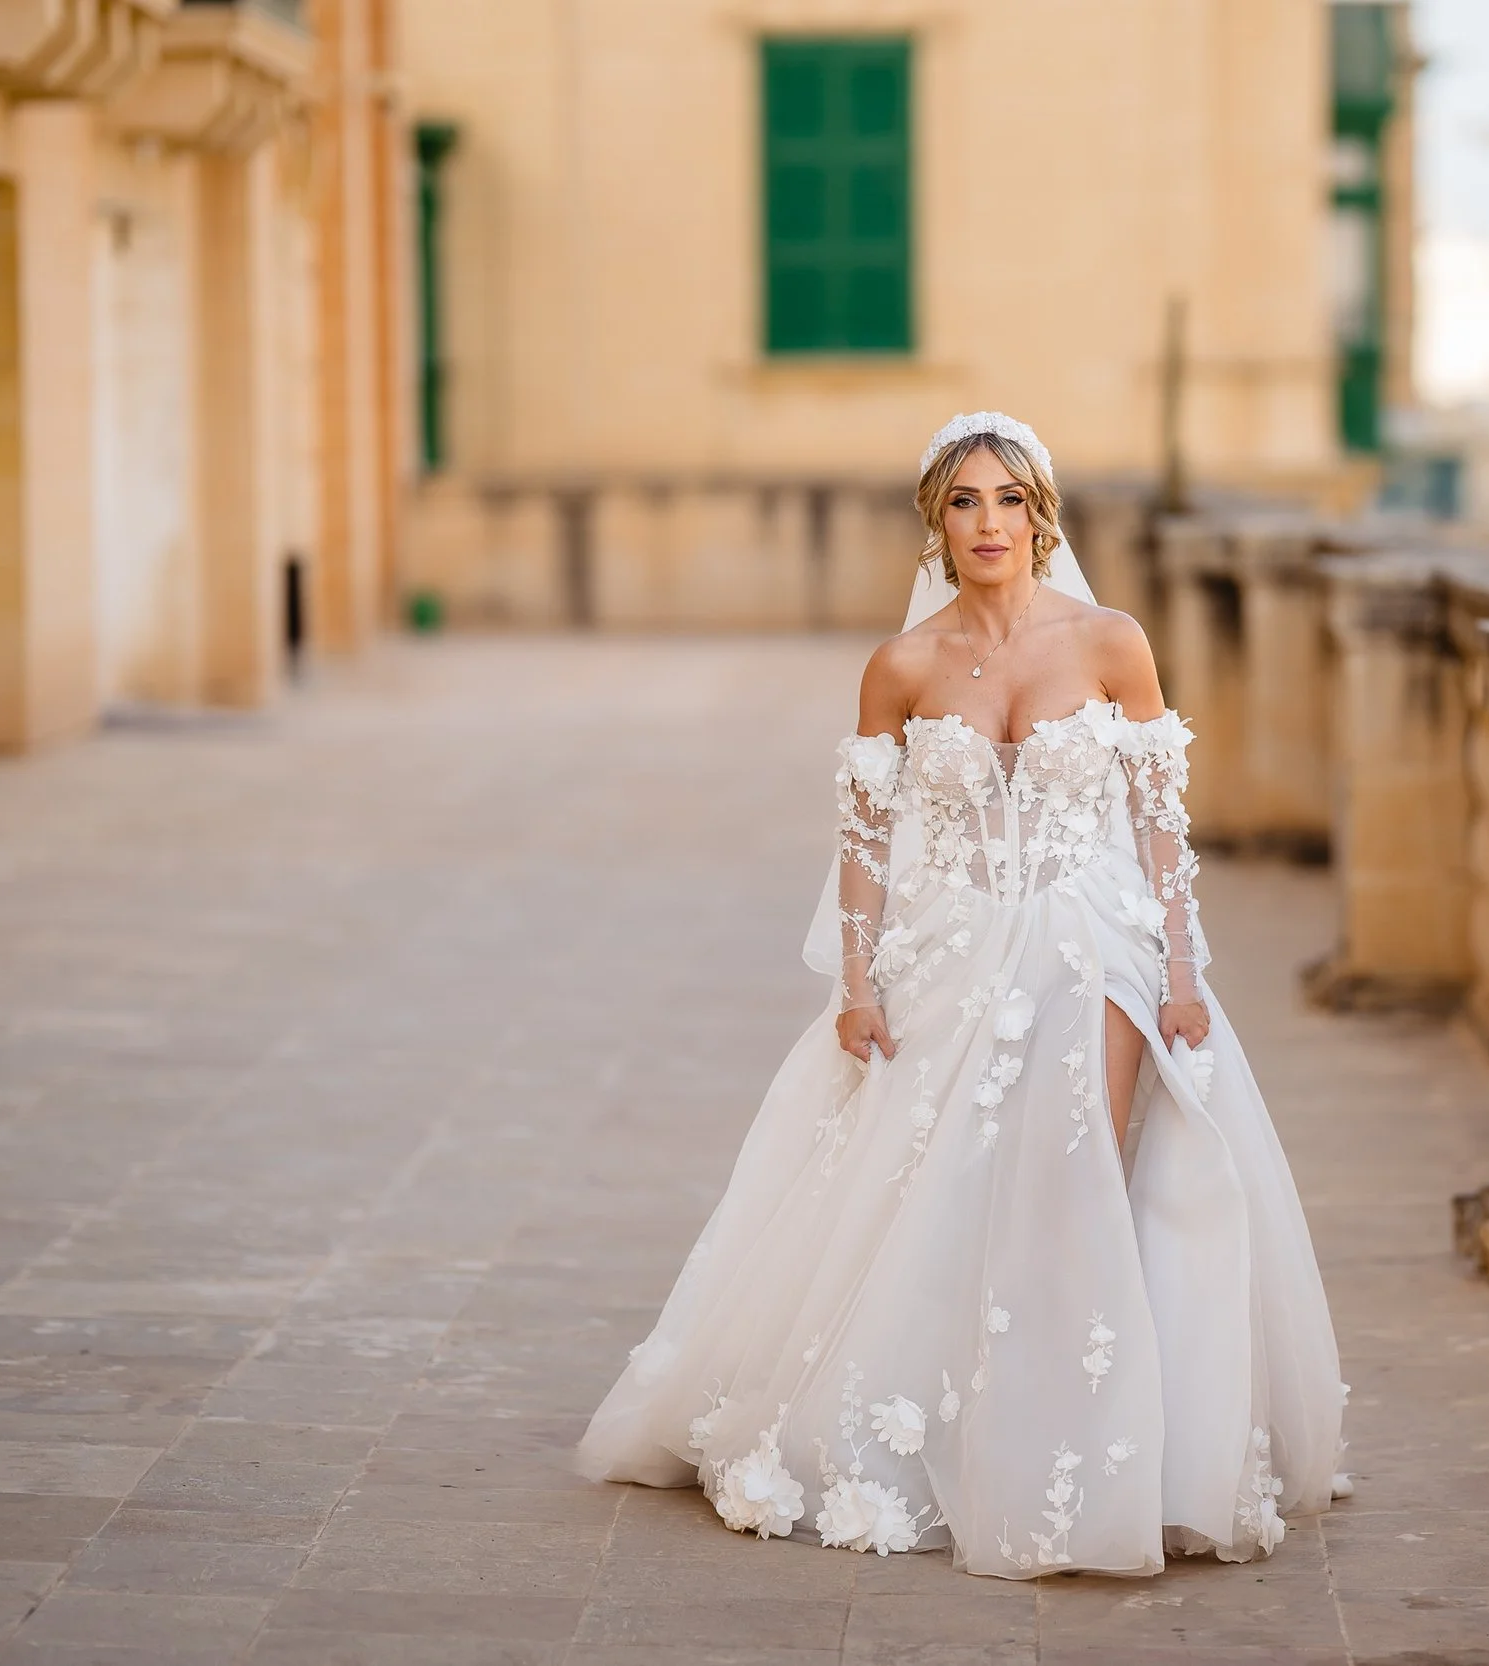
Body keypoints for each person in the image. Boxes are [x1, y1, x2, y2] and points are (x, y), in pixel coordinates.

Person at [576, 412, 1346, 1578]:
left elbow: (1158, 820)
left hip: (1101, 941)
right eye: (965, 501)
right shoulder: (904, 666)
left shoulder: (1110, 641)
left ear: (1043, 515)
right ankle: (967, 1425)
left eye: (1010, 500)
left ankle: (1100, 1447)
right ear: (935, 521)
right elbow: (865, 839)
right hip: (955, 950)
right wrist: (856, 983)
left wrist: (1184, 973)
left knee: (1079, 1168)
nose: (990, 523)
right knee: (956, 1187)